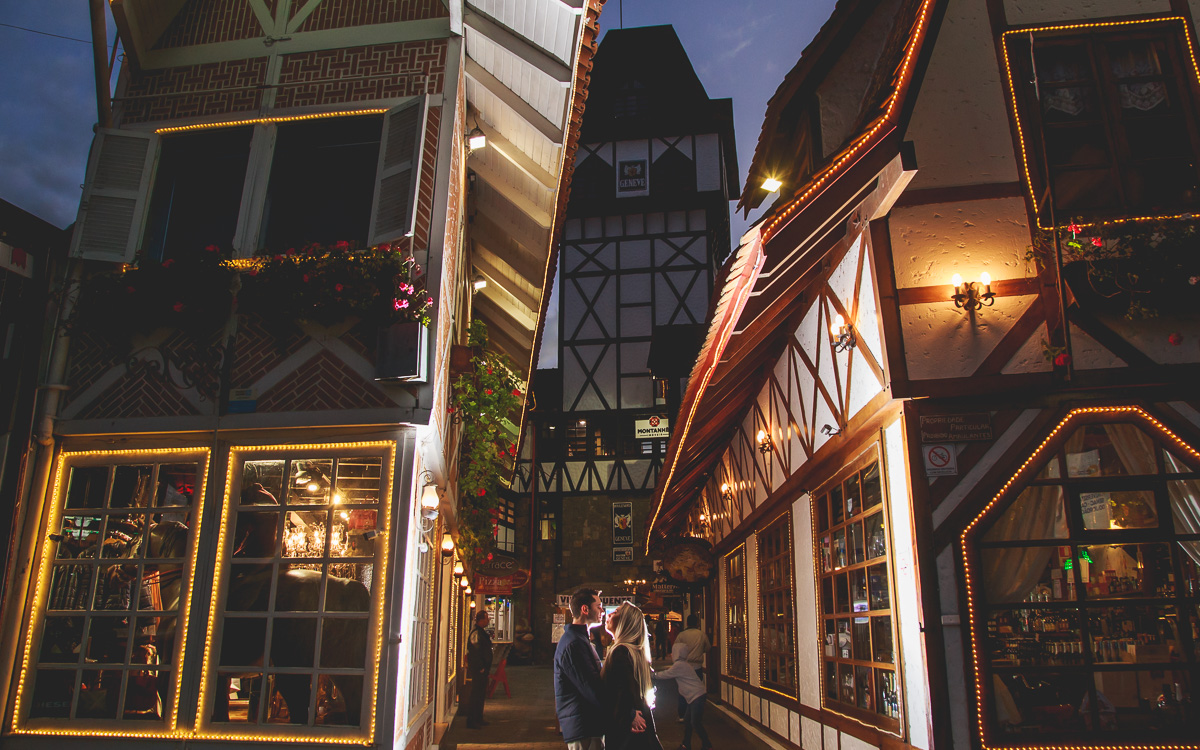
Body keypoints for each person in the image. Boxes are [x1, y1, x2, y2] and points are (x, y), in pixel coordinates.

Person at [555, 589, 645, 750]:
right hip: (584, 726)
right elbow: (593, 688)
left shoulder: (579, 640)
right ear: (585, 609)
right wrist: (629, 714)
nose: (602, 611)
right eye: (599, 606)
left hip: (588, 724)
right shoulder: (575, 643)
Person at [602, 602, 663, 750]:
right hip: (639, 726)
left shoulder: (621, 652)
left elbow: (622, 691)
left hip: (626, 730)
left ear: (625, 622)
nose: (608, 614)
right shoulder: (634, 652)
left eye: (615, 612)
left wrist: (629, 715)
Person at [654, 642, 712, 750]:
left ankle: (707, 745)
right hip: (695, 696)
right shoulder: (684, 664)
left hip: (696, 696)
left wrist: (652, 675)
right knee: (688, 721)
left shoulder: (680, 665)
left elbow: (666, 674)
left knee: (695, 722)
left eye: (673, 652)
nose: (671, 654)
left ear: (677, 653)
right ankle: (686, 744)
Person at [672, 614, 710, 720]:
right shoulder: (701, 635)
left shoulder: (681, 635)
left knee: (683, 691)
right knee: (697, 692)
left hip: (684, 667)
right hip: (697, 667)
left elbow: (675, 649)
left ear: (687, 623)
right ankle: (695, 715)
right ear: (697, 623)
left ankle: (682, 715)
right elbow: (707, 648)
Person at [465, 609, 493, 729]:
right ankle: (472, 720)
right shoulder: (476, 634)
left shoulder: (480, 632)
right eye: (487, 618)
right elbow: (475, 651)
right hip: (479, 670)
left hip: (483, 669)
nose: (488, 620)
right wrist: (480, 667)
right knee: (476, 694)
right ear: (481, 620)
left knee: (481, 694)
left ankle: (478, 717)